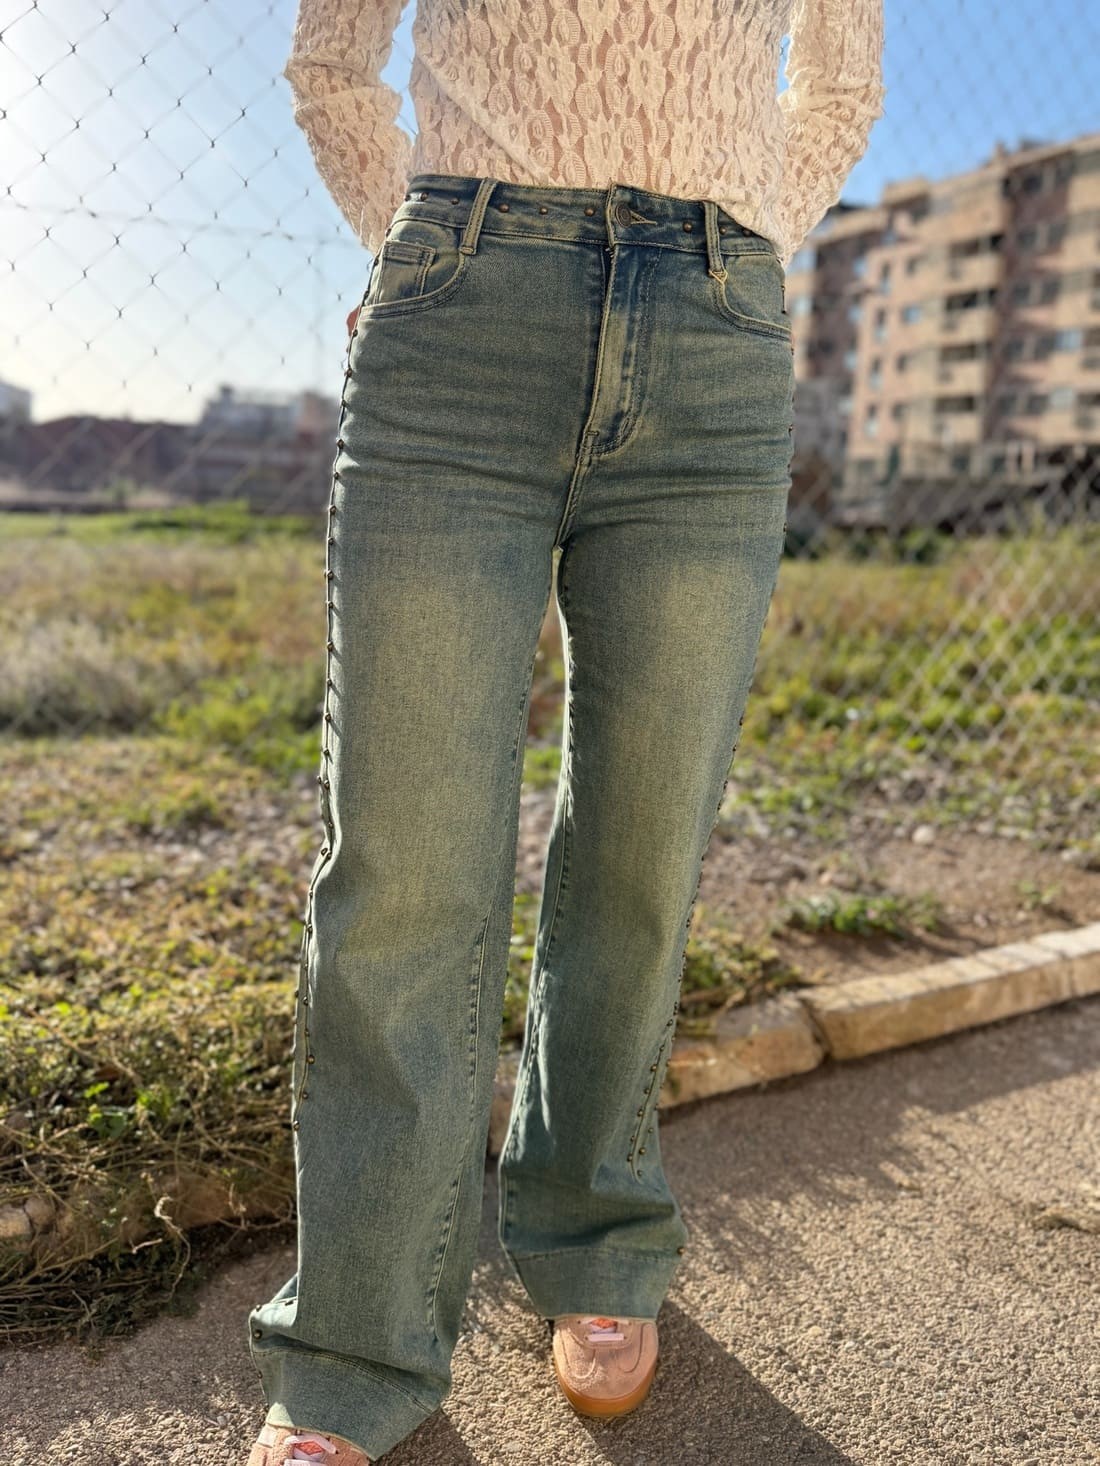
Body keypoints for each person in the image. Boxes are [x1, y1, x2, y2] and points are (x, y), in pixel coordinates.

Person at [245, 0, 885, 1460]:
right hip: (462, 319)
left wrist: (746, 235)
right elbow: (332, 59)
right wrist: (411, 243)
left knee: (644, 845)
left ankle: (596, 1230)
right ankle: (353, 1342)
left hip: (717, 339)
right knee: (403, 865)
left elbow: (841, 81)